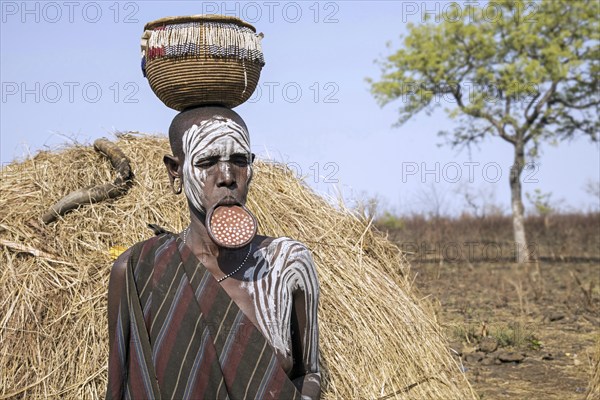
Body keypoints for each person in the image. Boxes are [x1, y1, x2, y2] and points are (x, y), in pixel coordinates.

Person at [106, 106, 321, 399]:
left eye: (239, 160)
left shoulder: (287, 264)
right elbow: (119, 386)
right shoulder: (137, 270)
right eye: (207, 161)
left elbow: (309, 372)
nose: (227, 177)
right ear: (175, 169)